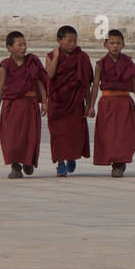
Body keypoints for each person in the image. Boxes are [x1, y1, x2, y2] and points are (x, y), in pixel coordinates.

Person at [86, 29, 135, 177]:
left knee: (124, 134)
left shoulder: (128, 62)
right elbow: (96, 85)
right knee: (109, 135)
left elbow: (134, 81)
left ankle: (119, 162)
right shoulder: (101, 64)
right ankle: (115, 162)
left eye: (118, 43)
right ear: (105, 44)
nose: (115, 46)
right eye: (111, 43)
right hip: (107, 102)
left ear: (123, 45)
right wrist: (91, 105)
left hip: (124, 101)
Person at [0, 31, 47, 179]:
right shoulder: (5, 66)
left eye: (25, 44)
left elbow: (39, 82)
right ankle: (15, 166)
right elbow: (0, 88)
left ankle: (28, 161)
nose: (24, 48)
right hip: (11, 106)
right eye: (20, 45)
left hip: (29, 105)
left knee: (29, 136)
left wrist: (44, 101)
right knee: (12, 137)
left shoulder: (32, 62)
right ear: (9, 47)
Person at [45, 25, 94, 177]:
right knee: (57, 134)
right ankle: (60, 164)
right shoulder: (51, 55)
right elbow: (50, 75)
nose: (73, 44)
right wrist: (57, 56)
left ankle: (71, 157)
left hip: (75, 102)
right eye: (69, 41)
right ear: (59, 40)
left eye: (75, 41)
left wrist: (89, 105)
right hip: (57, 102)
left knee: (74, 133)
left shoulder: (82, 57)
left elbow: (86, 84)